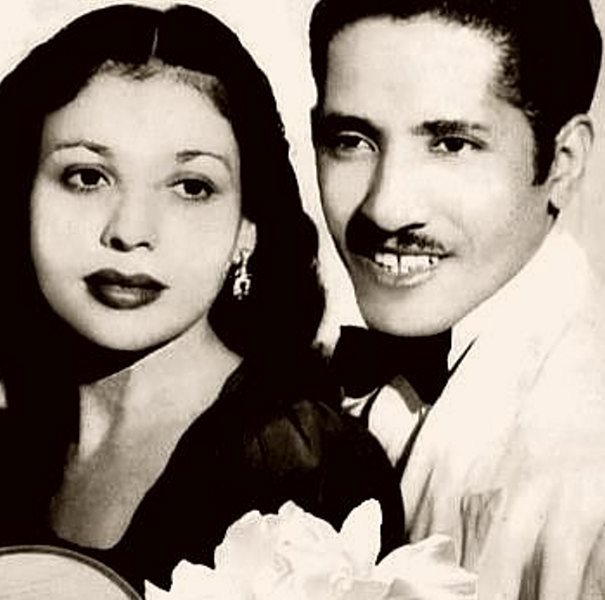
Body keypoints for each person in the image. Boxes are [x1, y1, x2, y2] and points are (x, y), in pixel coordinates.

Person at [0, 3, 406, 593]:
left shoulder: (306, 469)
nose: (130, 231)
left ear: (248, 230)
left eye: (191, 187)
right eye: (87, 177)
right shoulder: (18, 437)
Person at [309, 0, 605, 597]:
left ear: (563, 162)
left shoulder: (588, 482)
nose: (386, 207)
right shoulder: (307, 394)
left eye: (451, 144)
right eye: (352, 140)